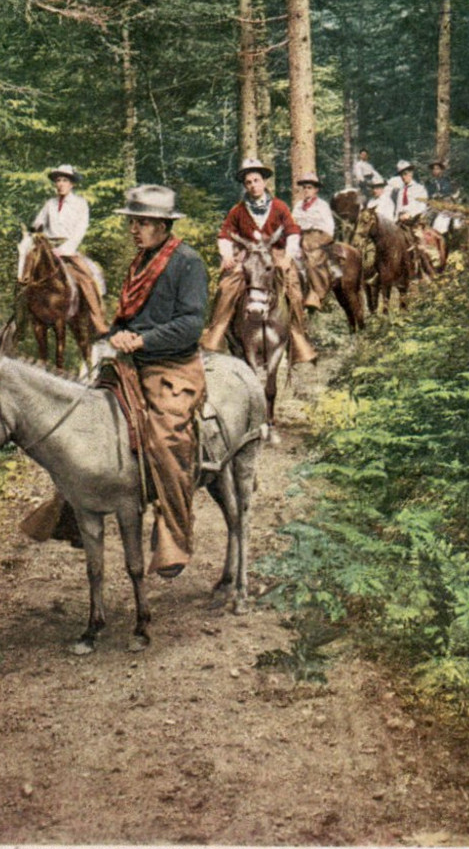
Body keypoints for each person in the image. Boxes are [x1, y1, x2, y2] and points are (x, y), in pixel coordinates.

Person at [108, 184, 208, 580]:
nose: (135, 229)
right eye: (133, 222)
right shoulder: (139, 263)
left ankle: (174, 537)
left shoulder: (188, 263)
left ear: (165, 225)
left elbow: (190, 324)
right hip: (131, 360)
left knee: (167, 438)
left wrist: (143, 339)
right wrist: (118, 333)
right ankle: (75, 509)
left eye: (144, 222)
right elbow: (125, 316)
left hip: (172, 366)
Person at [200, 158, 316, 364]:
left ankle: (299, 337)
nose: (253, 185)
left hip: (275, 253)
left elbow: (292, 232)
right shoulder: (238, 210)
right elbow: (225, 235)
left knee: (293, 286)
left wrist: (288, 255)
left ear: (264, 182)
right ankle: (217, 332)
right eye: (249, 182)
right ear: (245, 186)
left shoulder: (279, 206)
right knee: (227, 285)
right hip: (248, 255)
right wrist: (227, 255)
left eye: (256, 180)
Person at [25, 164, 108, 336]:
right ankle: (21, 321)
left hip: (69, 249)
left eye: (64, 180)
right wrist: (35, 231)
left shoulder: (80, 204)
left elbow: (80, 230)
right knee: (26, 274)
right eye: (58, 180)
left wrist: (64, 249)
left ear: (72, 184)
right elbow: (37, 223)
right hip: (47, 248)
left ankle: (97, 321)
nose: (60, 184)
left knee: (88, 277)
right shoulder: (49, 204)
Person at [292, 173, 341, 311]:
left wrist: (318, 241)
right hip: (300, 237)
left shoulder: (322, 205)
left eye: (309, 187)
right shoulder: (298, 206)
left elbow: (329, 227)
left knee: (312, 261)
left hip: (318, 238)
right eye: (304, 188)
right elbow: (293, 223)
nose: (306, 190)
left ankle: (317, 295)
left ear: (316, 190)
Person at [426, 159, 460, 235]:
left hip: (444, 204)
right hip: (433, 205)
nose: (435, 171)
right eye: (433, 169)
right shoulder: (429, 183)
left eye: (437, 169)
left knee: (444, 219)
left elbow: (450, 193)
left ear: (441, 170)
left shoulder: (446, 181)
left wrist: (442, 196)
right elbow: (428, 194)